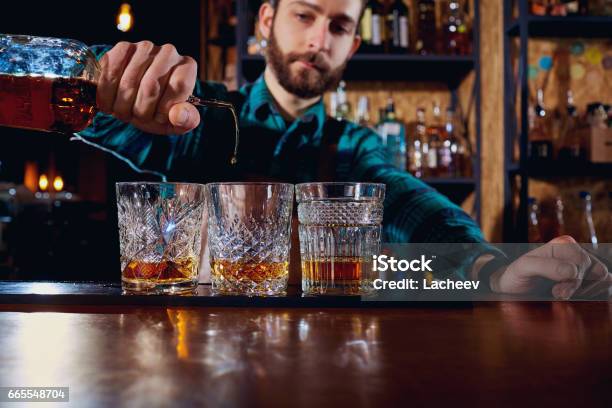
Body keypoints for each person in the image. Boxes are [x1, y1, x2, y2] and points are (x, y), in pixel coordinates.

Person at [79, 0, 610, 299]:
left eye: (339, 27)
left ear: (353, 45)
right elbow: (108, 123)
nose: (319, 40)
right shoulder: (202, 114)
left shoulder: (353, 148)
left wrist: (494, 268)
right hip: (189, 350)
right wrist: (102, 85)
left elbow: (422, 215)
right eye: (305, 16)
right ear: (267, 21)